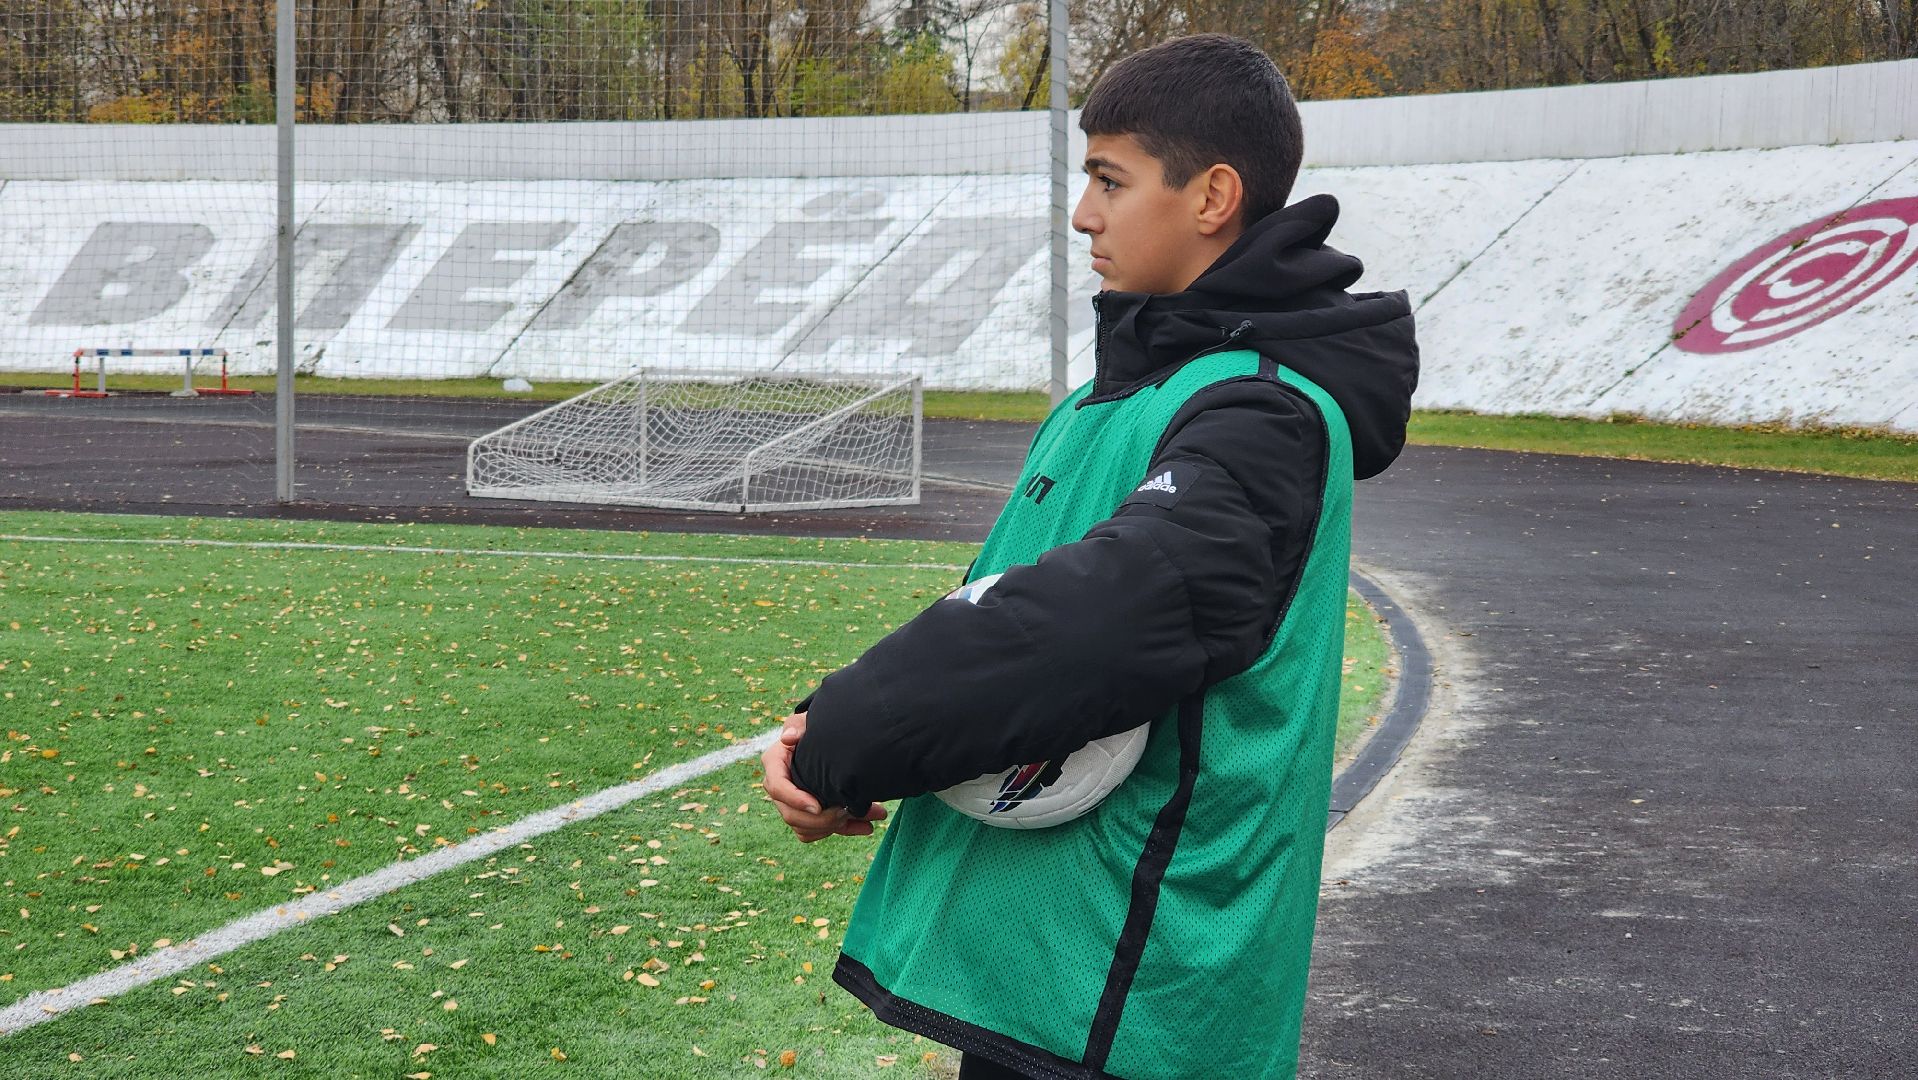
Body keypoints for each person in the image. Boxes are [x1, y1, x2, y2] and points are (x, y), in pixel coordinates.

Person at [759, 33, 1420, 1080]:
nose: (1084, 215)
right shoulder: (1111, 398)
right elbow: (1004, 607)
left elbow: (1102, 620)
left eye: (1110, 181)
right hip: (1053, 968)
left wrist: (851, 735)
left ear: (1211, 196)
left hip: (1137, 978)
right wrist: (869, 741)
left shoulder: (1264, 412)